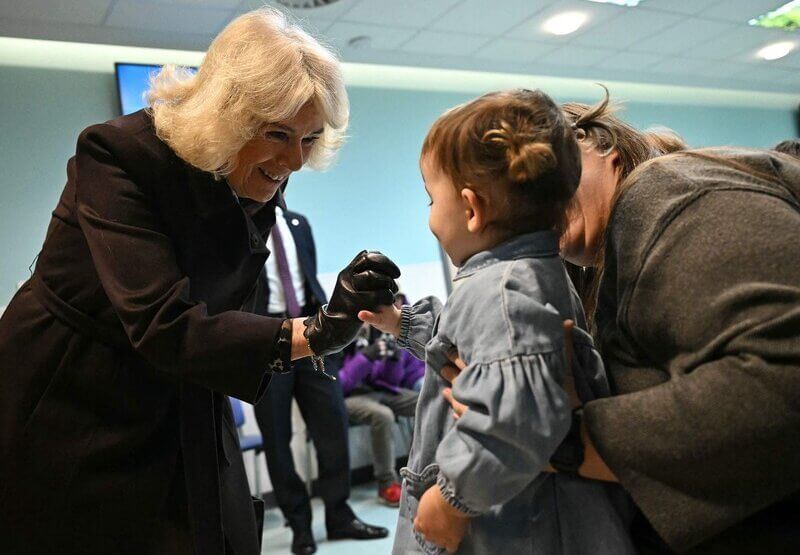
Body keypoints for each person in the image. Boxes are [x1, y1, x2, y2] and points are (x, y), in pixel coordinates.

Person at [0, 8, 400, 555]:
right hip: (79, 393)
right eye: (279, 134)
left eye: (308, 139)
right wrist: (320, 330)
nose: (294, 160)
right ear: (228, 115)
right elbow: (164, 323)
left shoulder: (252, 170)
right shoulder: (117, 155)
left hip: (186, 382)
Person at [369, 91, 800, 553]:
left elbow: (782, 378)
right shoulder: (576, 266)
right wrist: (405, 325)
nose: (525, 189)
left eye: (541, 169)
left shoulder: (666, 195)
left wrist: (563, 438)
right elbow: (504, 337)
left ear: (600, 145)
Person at [381, 89, 636, 554]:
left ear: (471, 209)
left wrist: (451, 499)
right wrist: (402, 324)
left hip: (512, 528)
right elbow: (477, 354)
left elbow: (517, 418)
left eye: (429, 199)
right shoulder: (532, 276)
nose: (431, 218)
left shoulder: (500, 291)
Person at [250, 206, 388, 555]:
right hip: (267, 339)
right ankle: (299, 526)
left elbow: (308, 278)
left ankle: (339, 515)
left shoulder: (298, 223)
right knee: (278, 439)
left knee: (333, 426)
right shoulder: (240, 226)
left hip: (312, 335)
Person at [339, 314, 423, 506]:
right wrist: (365, 358)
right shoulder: (341, 335)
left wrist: (394, 360)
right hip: (349, 397)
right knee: (383, 415)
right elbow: (340, 384)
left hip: (380, 391)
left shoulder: (378, 333)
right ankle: (386, 483)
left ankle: (421, 468)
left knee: (424, 401)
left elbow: (389, 380)